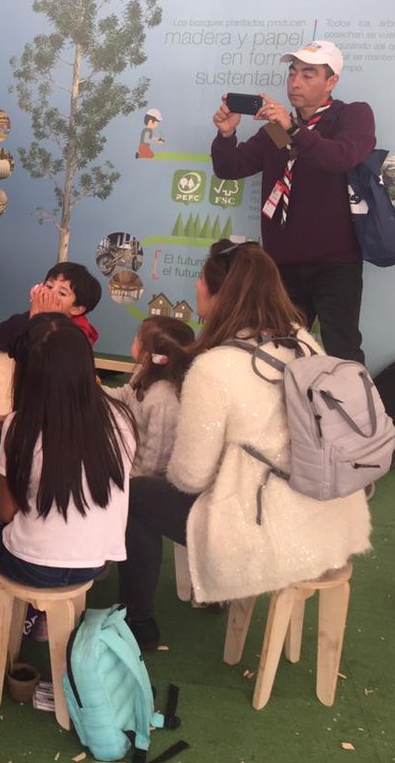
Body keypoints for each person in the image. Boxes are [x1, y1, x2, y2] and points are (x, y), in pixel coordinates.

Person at [117, 240, 372, 651]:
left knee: (137, 496)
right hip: (332, 515)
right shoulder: (306, 342)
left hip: (268, 528)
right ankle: (209, 595)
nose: (196, 287)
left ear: (220, 295)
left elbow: (189, 475)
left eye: (201, 280)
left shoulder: (215, 367)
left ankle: (138, 622)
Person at [0, 316, 133, 624]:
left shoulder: (20, 427)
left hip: (32, 564)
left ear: (27, 373)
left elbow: (6, 511)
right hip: (97, 560)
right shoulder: (120, 418)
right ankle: (39, 623)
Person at [210, 40, 375, 363]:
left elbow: (339, 157)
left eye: (308, 75)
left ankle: (351, 413)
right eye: (292, 72)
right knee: (280, 349)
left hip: (336, 263)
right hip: (282, 262)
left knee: (342, 349)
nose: (295, 82)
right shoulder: (279, 129)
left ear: (331, 82)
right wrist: (226, 135)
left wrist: (291, 126)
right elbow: (230, 169)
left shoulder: (351, 115)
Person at [102, 316, 194, 478]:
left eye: (138, 336)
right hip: (127, 458)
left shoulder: (162, 398)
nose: (134, 338)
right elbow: (124, 395)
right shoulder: (145, 372)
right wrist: (90, 389)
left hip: (138, 480)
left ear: (147, 354)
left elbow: (156, 461)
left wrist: (129, 484)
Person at [0, 261, 101, 357]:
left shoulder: (78, 333)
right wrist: (35, 316)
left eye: (62, 293)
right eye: (49, 286)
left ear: (77, 309)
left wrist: (37, 321)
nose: (50, 293)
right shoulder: (36, 313)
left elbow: (42, 361)